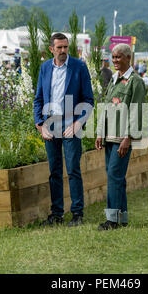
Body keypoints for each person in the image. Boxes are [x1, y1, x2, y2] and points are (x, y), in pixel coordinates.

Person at [34, 33, 94, 227]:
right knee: (54, 171)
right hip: (50, 126)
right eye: (59, 48)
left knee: (73, 169)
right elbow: (38, 100)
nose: (63, 51)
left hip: (72, 125)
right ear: (51, 49)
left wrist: (78, 123)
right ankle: (56, 214)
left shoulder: (79, 67)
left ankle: (77, 214)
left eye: (65, 47)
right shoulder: (44, 68)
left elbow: (88, 100)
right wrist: (40, 124)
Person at [95, 43, 146, 230]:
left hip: (122, 138)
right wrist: (100, 132)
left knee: (114, 176)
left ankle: (112, 220)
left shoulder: (136, 82)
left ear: (128, 58)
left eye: (119, 57)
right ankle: (122, 218)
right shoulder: (114, 79)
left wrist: (129, 137)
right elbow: (106, 108)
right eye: (113, 57)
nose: (115, 60)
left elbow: (138, 111)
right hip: (109, 137)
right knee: (116, 177)